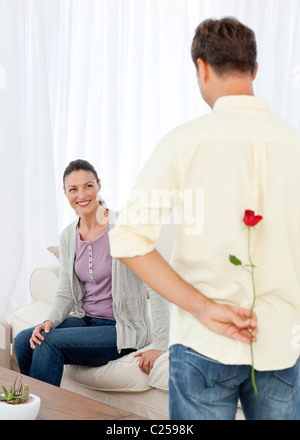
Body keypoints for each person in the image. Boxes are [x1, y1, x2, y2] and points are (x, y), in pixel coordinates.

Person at [108, 17, 300, 420]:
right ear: (255, 69)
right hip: (281, 342)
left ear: (202, 67)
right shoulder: (294, 145)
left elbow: (127, 239)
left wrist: (203, 308)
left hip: (201, 342)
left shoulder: (184, 143)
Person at [14, 159, 168, 387]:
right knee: (24, 341)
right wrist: (50, 320)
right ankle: (34, 405)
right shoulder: (68, 236)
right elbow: (66, 291)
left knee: (49, 343)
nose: (82, 195)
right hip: (86, 321)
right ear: (65, 192)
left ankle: (40, 411)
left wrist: (161, 344)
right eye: (73, 189)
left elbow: (158, 285)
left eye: (88, 186)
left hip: (121, 329)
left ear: (99, 185)